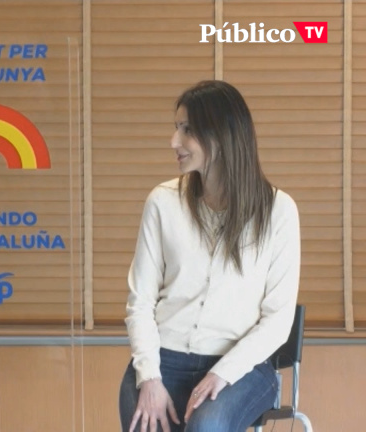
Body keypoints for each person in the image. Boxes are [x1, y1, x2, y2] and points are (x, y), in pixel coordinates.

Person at [118, 80, 301, 432]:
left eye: (187, 129)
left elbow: (278, 320)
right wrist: (149, 377)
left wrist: (222, 373)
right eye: (177, 128)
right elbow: (140, 301)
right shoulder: (162, 202)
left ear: (221, 134)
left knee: (207, 425)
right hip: (162, 361)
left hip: (243, 367)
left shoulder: (278, 211)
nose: (174, 141)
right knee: (144, 423)